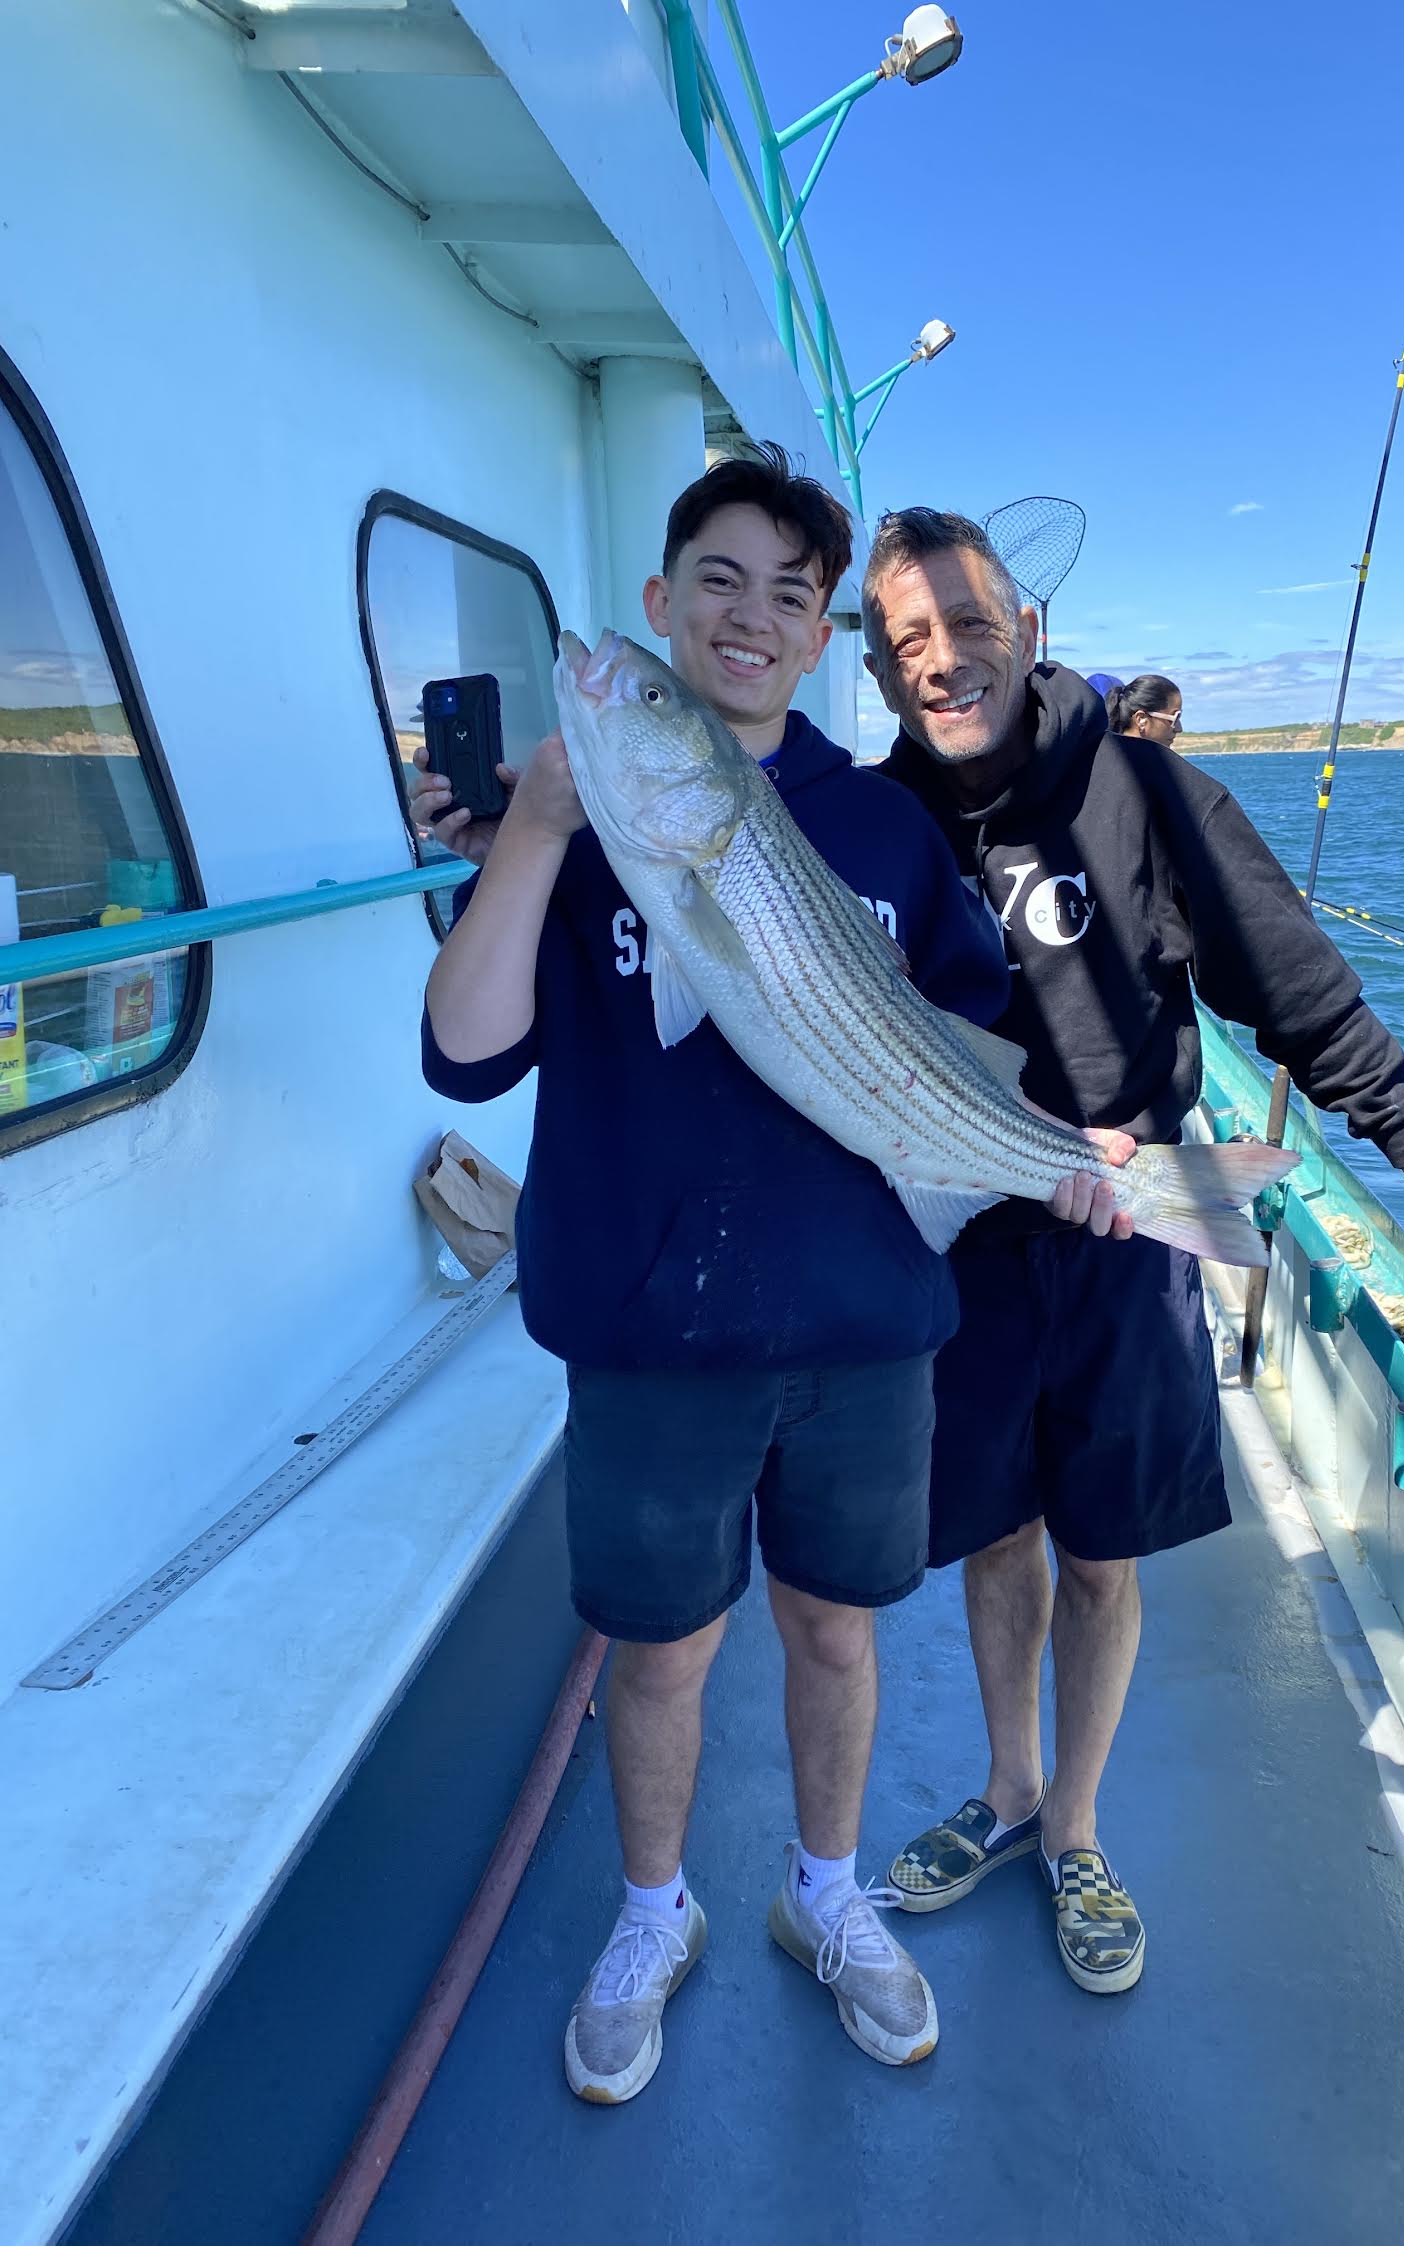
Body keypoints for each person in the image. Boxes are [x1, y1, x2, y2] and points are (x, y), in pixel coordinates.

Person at [414, 449, 1121, 2105]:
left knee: (836, 1633)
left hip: (869, 1331)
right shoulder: (583, 809)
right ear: (664, 607)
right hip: (650, 1336)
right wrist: (527, 829)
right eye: (713, 581)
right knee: (656, 1655)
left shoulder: (877, 822)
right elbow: (462, 1058)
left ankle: (824, 1894)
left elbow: (974, 1037)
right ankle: (652, 1915)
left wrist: (1072, 1166)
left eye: (788, 596)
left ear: (818, 642)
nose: (747, 616)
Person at [860, 507, 1404, 1996]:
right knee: (991, 1532)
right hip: (959, 1237)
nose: (942, 660)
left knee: (1100, 1548)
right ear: (879, 664)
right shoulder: (875, 818)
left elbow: (1281, 972)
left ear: (1024, 628)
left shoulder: (1144, 789)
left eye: (967, 624)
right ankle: (1009, 1785)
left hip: (1138, 1221)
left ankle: (1078, 1825)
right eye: (906, 638)